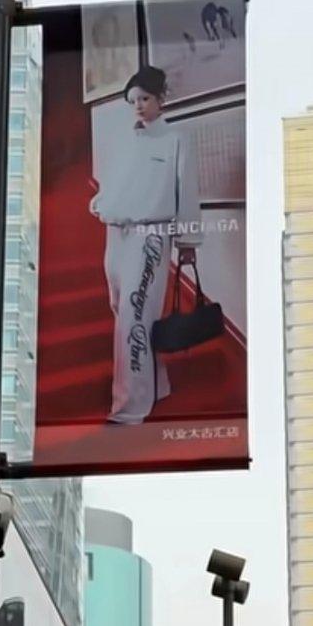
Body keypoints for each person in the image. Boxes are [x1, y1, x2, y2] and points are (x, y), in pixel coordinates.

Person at [89, 65, 203, 425]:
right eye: (133, 100)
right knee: (120, 308)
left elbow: (187, 191)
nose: (138, 105)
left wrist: (187, 240)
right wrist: (100, 204)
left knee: (133, 320)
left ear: (161, 99)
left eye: (145, 98)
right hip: (116, 233)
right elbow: (113, 182)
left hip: (151, 236)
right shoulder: (125, 139)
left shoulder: (176, 140)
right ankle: (157, 384)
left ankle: (130, 407)